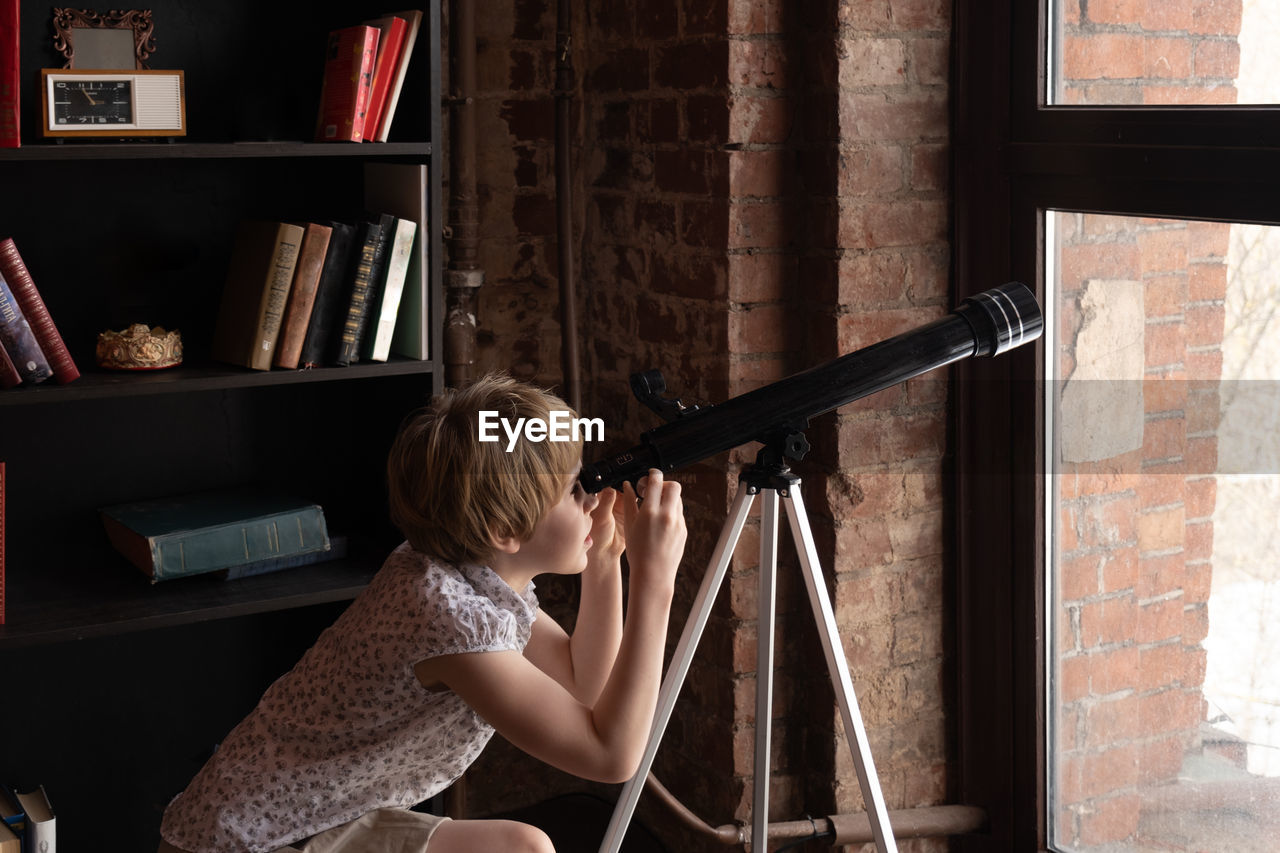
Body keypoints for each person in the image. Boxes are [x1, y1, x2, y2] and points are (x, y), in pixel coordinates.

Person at [158, 373, 687, 853]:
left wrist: (605, 562)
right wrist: (655, 583)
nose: (595, 499)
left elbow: (583, 688)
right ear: (504, 533)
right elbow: (610, 757)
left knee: (520, 848)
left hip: (312, 818)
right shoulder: (449, 618)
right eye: (576, 491)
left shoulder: (464, 573)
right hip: (239, 842)